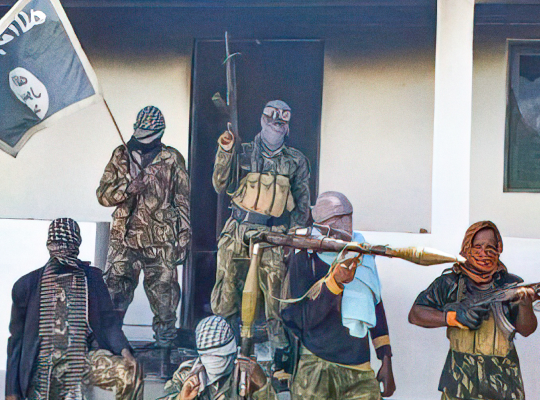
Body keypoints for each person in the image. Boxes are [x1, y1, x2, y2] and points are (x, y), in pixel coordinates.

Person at [211, 100, 311, 353]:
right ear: (261, 120)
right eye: (272, 119)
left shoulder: (296, 161)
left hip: (274, 235)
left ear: (287, 127)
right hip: (238, 230)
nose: (276, 125)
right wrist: (226, 150)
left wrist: (293, 239)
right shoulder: (241, 152)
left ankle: (279, 361)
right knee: (227, 294)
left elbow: (302, 203)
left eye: (282, 122)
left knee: (277, 300)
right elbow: (219, 184)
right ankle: (226, 350)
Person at [6, 218, 143, 400]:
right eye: (57, 242)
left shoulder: (92, 278)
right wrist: (11, 392)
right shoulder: (26, 285)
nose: (62, 247)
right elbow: (16, 340)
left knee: (130, 373)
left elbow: (108, 323)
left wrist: (124, 351)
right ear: (49, 243)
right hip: (42, 367)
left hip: (82, 361)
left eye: (66, 242)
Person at [281, 192, 395, 400]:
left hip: (359, 368)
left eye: (348, 218)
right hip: (317, 366)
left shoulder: (362, 253)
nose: (346, 226)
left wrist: (385, 358)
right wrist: (334, 283)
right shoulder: (306, 256)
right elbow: (303, 320)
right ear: (322, 226)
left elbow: (375, 305)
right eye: (338, 220)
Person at [409, 221, 538, 400]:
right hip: (459, 384)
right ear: (466, 249)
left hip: (503, 385)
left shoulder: (509, 285)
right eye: (477, 247)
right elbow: (416, 314)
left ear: (499, 248)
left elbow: (527, 329)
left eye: (490, 248)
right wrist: (451, 317)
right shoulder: (450, 283)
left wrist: (525, 304)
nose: (484, 254)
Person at [97, 105, 191, 348]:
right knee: (114, 297)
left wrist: (183, 238)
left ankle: (165, 354)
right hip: (123, 242)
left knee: (165, 301)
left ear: (160, 133)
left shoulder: (172, 159)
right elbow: (102, 195)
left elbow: (182, 200)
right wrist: (127, 190)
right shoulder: (121, 154)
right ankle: (111, 351)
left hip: (160, 242)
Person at [163, 315, 267, 400]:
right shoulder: (186, 374)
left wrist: (263, 387)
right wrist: (181, 398)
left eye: (218, 356)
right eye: (207, 356)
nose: (212, 361)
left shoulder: (247, 374)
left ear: (230, 352)